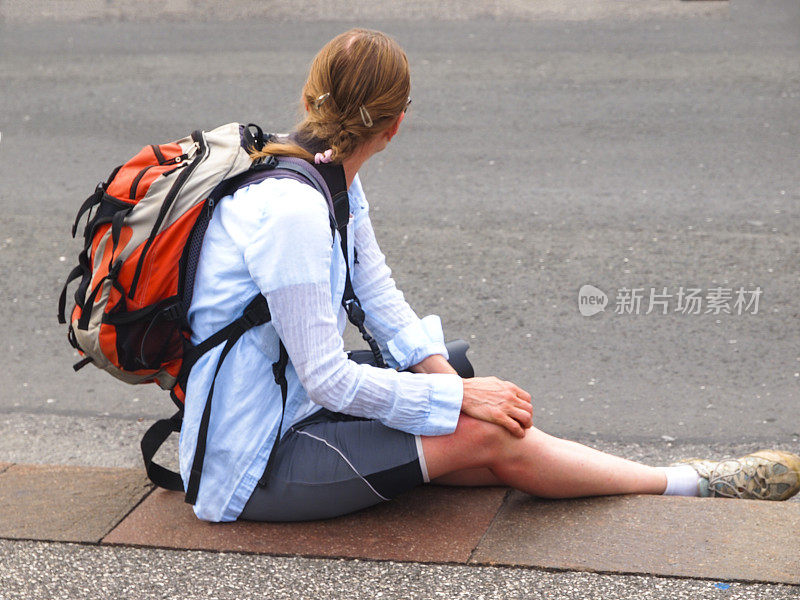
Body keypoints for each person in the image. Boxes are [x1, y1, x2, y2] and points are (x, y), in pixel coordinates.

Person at [179, 28, 800, 523]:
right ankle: (691, 483)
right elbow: (327, 381)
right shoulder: (294, 211)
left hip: (286, 404)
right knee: (488, 432)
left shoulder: (328, 172)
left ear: (313, 94)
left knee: (464, 382)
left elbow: (377, 296)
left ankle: (569, 465)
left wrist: (453, 386)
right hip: (253, 464)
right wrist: (458, 402)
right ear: (396, 124)